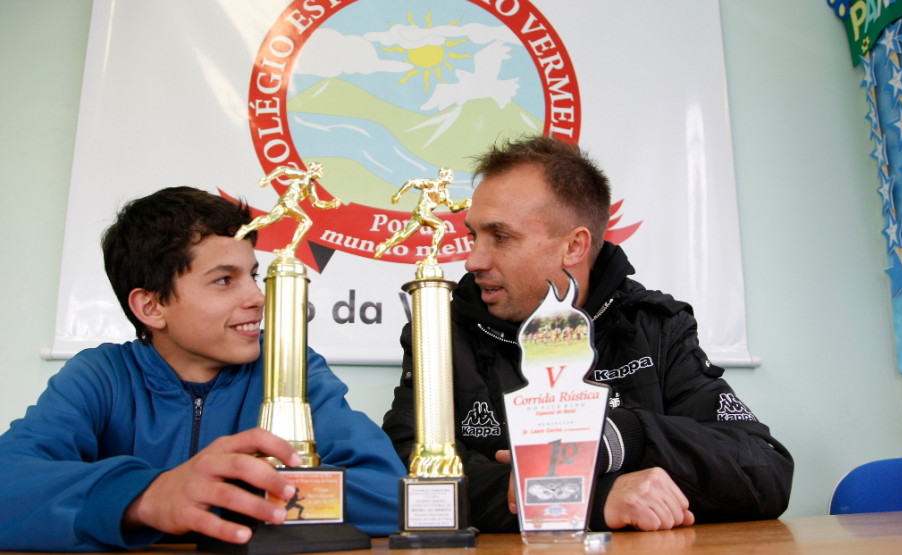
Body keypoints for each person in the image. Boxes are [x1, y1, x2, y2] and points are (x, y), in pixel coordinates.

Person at [382, 136, 793, 532]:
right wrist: (593, 500)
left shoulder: (654, 326)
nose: (473, 260)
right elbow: (401, 475)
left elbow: (764, 471)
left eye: (501, 237)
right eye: (474, 235)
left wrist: (622, 437)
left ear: (574, 247)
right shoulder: (441, 331)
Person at [0, 187, 404, 551]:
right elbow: (10, 484)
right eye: (225, 280)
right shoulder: (100, 375)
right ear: (152, 307)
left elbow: (391, 496)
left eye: (254, 275)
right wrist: (148, 497)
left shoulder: (291, 366)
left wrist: (231, 488)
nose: (258, 298)